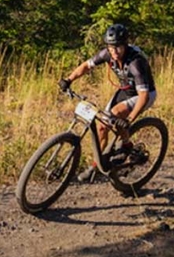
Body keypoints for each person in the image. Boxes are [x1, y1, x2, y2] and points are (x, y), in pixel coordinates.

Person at [58, 23, 157, 181]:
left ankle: (126, 144)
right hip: (126, 91)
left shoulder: (135, 63)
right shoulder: (107, 54)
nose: (114, 51)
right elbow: (86, 66)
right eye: (111, 47)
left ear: (125, 45)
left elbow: (143, 96)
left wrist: (130, 119)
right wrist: (68, 80)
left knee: (116, 114)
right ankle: (97, 165)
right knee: (103, 126)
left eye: (118, 47)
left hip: (144, 94)